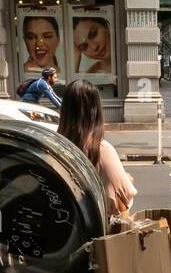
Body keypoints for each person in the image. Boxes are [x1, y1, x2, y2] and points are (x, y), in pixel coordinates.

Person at [57, 79, 135, 216]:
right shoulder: (101, 149)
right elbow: (121, 202)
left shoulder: (53, 147)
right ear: (96, 110)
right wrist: (126, 180)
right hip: (95, 233)